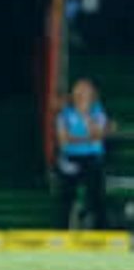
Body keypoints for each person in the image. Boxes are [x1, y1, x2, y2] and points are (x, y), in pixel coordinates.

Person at [56, 78, 109, 229]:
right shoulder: (65, 114)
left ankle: (99, 228)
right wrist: (88, 138)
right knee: (65, 197)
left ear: (92, 95)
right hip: (70, 158)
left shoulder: (98, 112)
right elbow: (63, 141)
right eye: (78, 91)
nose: (81, 95)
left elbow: (98, 135)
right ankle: (61, 230)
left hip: (92, 158)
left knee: (96, 195)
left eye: (85, 91)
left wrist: (85, 116)